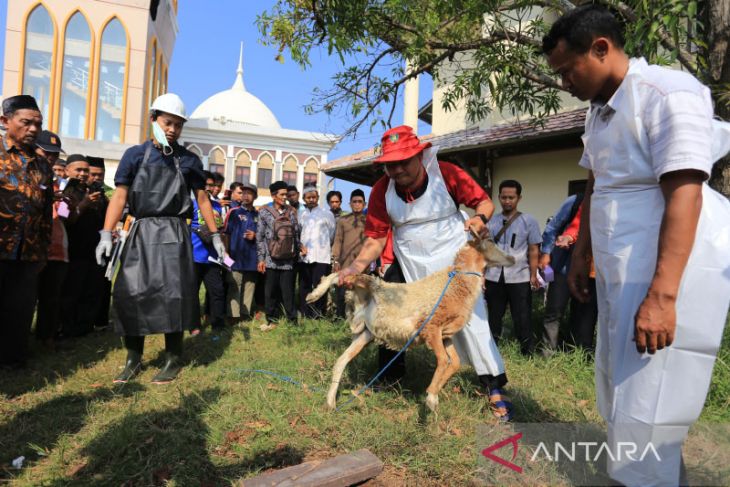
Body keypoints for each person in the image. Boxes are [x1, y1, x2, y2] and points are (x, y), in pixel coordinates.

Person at [544, 6, 730, 485]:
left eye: (568, 70)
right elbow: (596, 182)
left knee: (654, 387)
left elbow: (685, 190)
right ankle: (644, 474)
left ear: (601, 48)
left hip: (663, 271)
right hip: (619, 269)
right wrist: (582, 253)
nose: (565, 82)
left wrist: (664, 296)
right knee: (623, 383)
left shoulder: (667, 93)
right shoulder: (600, 111)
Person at [338, 125, 512, 421]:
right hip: (410, 261)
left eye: (404, 161)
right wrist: (356, 266)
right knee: (390, 310)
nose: (397, 170)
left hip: (453, 260)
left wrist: (480, 219)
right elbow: (376, 238)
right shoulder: (382, 189)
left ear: (420, 156)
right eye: (390, 164)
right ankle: (389, 376)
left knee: (473, 321)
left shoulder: (447, 173)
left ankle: (493, 386)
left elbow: (483, 202)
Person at [96, 93, 224, 384]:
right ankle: (133, 359)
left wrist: (215, 234)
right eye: (168, 123)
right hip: (140, 231)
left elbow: (202, 198)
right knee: (131, 291)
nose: (172, 130)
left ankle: (173, 358)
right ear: (153, 119)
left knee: (173, 295)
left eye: (178, 125)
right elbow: (119, 195)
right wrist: (106, 232)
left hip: (174, 231)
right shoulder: (134, 155)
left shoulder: (189, 160)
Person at [0, 95, 53, 368]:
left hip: (28, 252)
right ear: (5, 121)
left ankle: (14, 360)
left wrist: (43, 250)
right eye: (26, 122)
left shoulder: (42, 165)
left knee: (19, 309)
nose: (33, 129)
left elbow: (46, 211)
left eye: (38, 124)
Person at [483, 180, 542, 356]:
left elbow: (533, 250)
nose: (507, 201)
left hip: (520, 276)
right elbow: (485, 250)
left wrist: (533, 274)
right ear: (498, 197)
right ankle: (491, 351)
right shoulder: (491, 222)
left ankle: (527, 351)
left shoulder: (528, 221)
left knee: (522, 316)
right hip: (494, 277)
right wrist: (482, 275)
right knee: (494, 316)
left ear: (519, 198)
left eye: (511, 197)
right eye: (503, 197)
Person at [59, 154, 107, 338]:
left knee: (92, 291)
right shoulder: (65, 193)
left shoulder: (94, 191)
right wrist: (84, 204)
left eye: (85, 170)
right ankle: (67, 329)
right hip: (74, 252)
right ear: (67, 170)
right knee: (71, 292)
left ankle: (84, 328)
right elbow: (64, 219)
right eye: (78, 170)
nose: (82, 174)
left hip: (94, 252)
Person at [34, 130, 69, 350]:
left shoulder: (59, 185)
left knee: (51, 299)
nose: (51, 158)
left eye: (55, 154)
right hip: (31, 249)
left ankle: (46, 339)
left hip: (56, 249)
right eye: (46, 153)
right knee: (23, 299)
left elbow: (66, 217)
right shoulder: (23, 178)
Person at [538, 193, 584, 356]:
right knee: (554, 312)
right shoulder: (575, 201)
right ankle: (547, 353)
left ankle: (578, 355)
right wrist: (545, 253)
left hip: (589, 272)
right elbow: (552, 228)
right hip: (563, 268)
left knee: (582, 314)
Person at [256, 180, 301, 329]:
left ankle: (292, 320)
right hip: (270, 259)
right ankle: (271, 319)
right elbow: (260, 237)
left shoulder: (291, 212)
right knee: (270, 291)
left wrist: (298, 249)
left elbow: (296, 234)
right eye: (282, 194)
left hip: (288, 260)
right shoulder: (264, 212)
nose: (285, 197)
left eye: (286, 194)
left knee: (288, 292)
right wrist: (261, 259)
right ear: (273, 195)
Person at [556, 204, 598, 354]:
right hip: (591, 271)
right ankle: (582, 355)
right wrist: (568, 236)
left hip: (624, 275)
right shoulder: (594, 196)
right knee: (584, 319)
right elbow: (578, 224)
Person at [190, 169, 226, 332]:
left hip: (212, 257)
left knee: (217, 292)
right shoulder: (191, 203)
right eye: (207, 185)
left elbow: (220, 229)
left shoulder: (218, 206)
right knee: (192, 293)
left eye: (212, 185)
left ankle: (217, 324)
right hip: (194, 256)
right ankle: (194, 324)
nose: (210, 188)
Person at [298, 183, 336, 318]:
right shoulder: (301, 215)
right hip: (304, 257)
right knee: (304, 286)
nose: (311, 200)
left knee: (319, 286)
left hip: (321, 256)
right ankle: (304, 313)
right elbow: (299, 233)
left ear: (318, 197)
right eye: (308, 198)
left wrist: (324, 246)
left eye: (314, 197)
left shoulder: (327, 214)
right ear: (304, 199)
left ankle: (317, 314)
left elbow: (332, 234)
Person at [224, 182, 259, 323]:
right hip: (234, 256)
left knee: (250, 285)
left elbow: (264, 236)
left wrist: (255, 236)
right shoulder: (233, 212)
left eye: (249, 193)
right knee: (234, 285)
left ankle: (245, 314)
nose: (245, 196)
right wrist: (225, 254)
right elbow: (225, 234)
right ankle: (233, 315)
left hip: (252, 257)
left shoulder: (258, 215)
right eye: (243, 193)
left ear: (255, 196)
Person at [331, 188, 367, 318]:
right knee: (342, 293)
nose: (357, 204)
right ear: (350, 204)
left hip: (364, 265)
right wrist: (335, 261)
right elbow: (338, 240)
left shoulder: (369, 221)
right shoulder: (343, 220)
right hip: (345, 264)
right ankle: (341, 318)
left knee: (361, 294)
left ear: (365, 204)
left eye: (359, 201)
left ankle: (360, 321)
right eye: (354, 201)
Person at [86, 156, 113, 329]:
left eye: (100, 175)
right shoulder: (77, 190)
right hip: (82, 245)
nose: (97, 178)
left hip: (104, 245)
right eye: (93, 174)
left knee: (103, 283)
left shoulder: (110, 192)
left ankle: (101, 321)